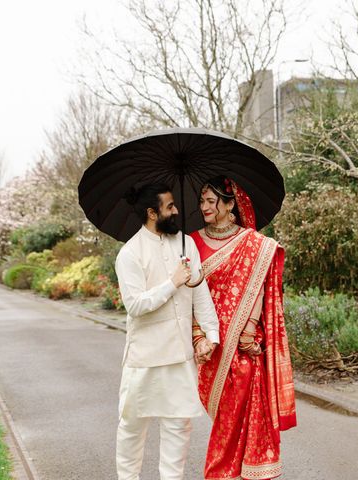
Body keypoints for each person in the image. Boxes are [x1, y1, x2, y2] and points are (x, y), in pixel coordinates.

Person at [190, 176, 297, 480]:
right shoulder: (191, 242)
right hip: (211, 345)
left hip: (244, 345)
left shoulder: (253, 244)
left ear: (229, 204)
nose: (204, 207)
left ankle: (227, 473)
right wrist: (199, 336)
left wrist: (249, 330)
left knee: (239, 414)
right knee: (224, 417)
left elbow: (260, 286)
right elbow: (190, 295)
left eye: (211, 201)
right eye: (202, 201)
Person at [115, 183, 220, 480]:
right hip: (144, 359)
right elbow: (135, 305)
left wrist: (211, 335)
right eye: (169, 206)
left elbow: (201, 294)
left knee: (178, 430)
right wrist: (172, 282)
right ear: (152, 213)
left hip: (180, 356)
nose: (176, 211)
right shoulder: (130, 254)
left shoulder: (185, 244)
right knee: (133, 429)